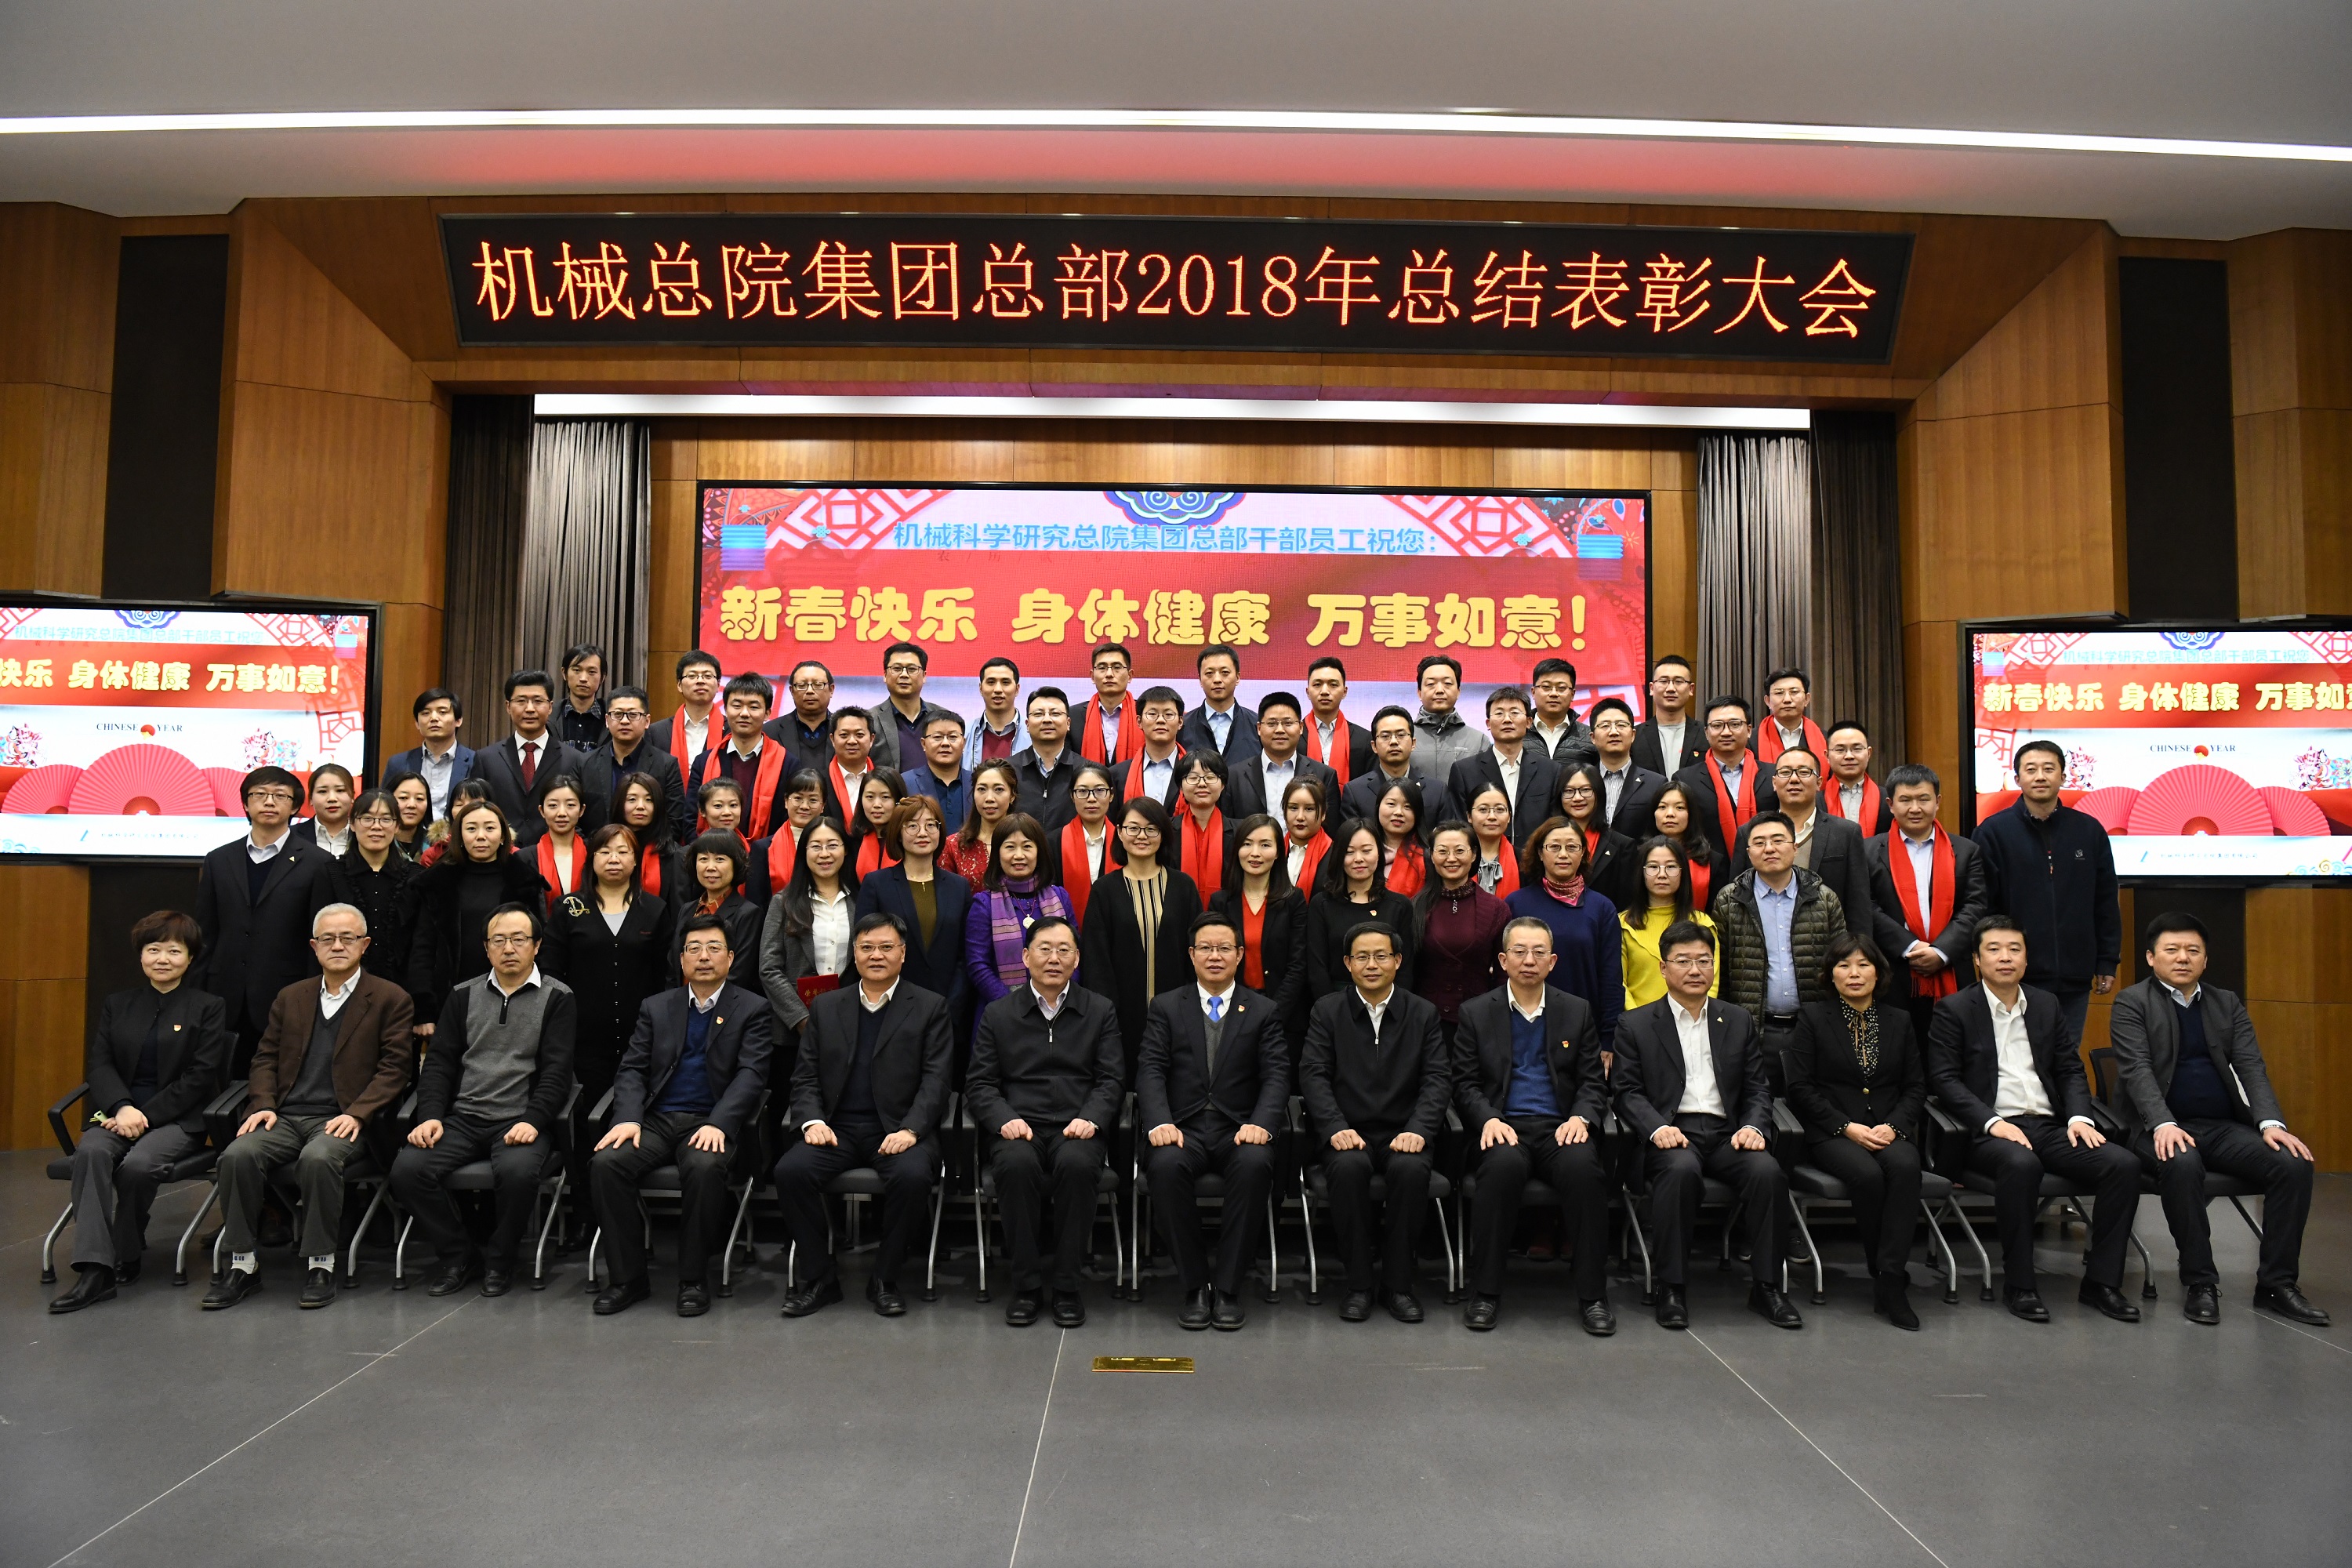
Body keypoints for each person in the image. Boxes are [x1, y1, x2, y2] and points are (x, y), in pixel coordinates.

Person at [2107, 913, 2327, 1326]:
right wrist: (2164, 1123)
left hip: (2222, 1127)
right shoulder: (2131, 1002)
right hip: (2156, 1128)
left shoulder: (2226, 1003)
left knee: (2292, 1163)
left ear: (2205, 960)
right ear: (2151, 958)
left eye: (2193, 951)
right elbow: (2136, 1070)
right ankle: (2200, 1283)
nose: (2183, 958)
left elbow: (2252, 1067)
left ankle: (2277, 1285)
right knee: (2182, 1162)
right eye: (2172, 950)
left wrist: (2271, 1124)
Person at [1927, 915, 2143, 1323]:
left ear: (2026, 959)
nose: (2005, 958)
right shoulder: (1954, 1009)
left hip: (2048, 1125)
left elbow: (2069, 1069)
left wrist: (2079, 1117)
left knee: (2123, 1165)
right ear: (1976, 960)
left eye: (2015, 949)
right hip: (1987, 1131)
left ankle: (2102, 1283)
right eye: (1994, 950)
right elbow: (1944, 1080)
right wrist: (1992, 1122)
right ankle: (2021, 1284)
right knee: (2021, 1165)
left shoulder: (2045, 1004)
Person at [202, 904, 415, 1311]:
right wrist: (263, 1103)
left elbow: (396, 1069)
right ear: (314, 947)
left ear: (365, 945)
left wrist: (358, 1113)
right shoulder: (291, 997)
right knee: (236, 1155)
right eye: (328, 939)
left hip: (345, 1118)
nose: (338, 946)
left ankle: (321, 1264)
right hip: (285, 1115)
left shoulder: (391, 998)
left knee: (319, 1158)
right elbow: (264, 1058)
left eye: (348, 938)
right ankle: (243, 1265)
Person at [1613, 921, 1801, 1330]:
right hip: (1672, 1132)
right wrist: (1655, 1128)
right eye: (1683, 961)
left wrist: (1754, 1127)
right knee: (1679, 1172)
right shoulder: (1636, 1024)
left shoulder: (1737, 1019)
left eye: (1704, 960)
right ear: (1663, 968)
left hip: (1728, 1133)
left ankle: (1767, 1287)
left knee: (1768, 1173)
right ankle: (1671, 1287)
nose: (1695, 970)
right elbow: (1626, 1092)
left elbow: (1757, 1088)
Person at [590, 910, 775, 1317]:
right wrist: (628, 1118)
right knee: (606, 1164)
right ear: (681, 959)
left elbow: (751, 1075)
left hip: (710, 1120)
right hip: (656, 1120)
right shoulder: (657, 1007)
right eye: (694, 948)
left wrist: (720, 1122)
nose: (703, 956)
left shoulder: (753, 1008)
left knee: (704, 1167)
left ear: (730, 957)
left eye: (713, 948)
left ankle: (693, 1279)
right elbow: (632, 1069)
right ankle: (627, 1279)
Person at [775, 913, 956, 1319]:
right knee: (790, 1172)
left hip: (897, 1129)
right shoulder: (826, 1006)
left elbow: (937, 1081)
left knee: (912, 1176)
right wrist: (812, 1121)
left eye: (886, 947)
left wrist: (911, 1129)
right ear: (854, 954)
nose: (877, 955)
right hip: (835, 1129)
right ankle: (820, 1279)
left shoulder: (930, 1007)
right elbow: (805, 1076)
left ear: (903, 953)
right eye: (867, 947)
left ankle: (885, 1279)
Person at [390, 902, 575, 1297]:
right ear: (486, 948)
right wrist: (430, 1115)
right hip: (463, 1118)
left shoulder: (558, 998)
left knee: (518, 1174)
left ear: (537, 946)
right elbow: (439, 1064)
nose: (509, 948)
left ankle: (501, 1260)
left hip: (520, 1118)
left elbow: (557, 1073)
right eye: (499, 940)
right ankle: (459, 1255)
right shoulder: (462, 995)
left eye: (519, 939)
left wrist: (534, 1120)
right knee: (407, 1171)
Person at [49, 911, 229, 1313]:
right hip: (117, 1113)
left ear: (190, 958)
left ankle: (126, 1249)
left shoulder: (208, 1006)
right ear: (141, 955)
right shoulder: (118, 1004)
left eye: (174, 951)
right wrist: (122, 1107)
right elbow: (100, 1065)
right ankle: (95, 1270)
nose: (162, 959)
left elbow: (200, 1076)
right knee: (90, 1152)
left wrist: (142, 1115)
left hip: (178, 1118)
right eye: (153, 949)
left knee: (139, 1165)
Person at [1454, 916, 1614, 1334]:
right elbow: (1465, 1084)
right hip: (1503, 1126)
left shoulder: (1576, 1010)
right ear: (1503, 960)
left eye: (1539, 952)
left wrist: (1581, 1117)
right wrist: (1488, 1119)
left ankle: (1593, 1297)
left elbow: (1592, 1082)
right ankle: (1485, 1293)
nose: (1529, 960)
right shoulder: (1476, 1013)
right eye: (1520, 952)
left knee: (1585, 1171)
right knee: (1501, 1169)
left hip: (1560, 1126)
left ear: (1552, 961)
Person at [967, 917, 1124, 1327]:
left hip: (1077, 1125)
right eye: (1044, 949)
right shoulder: (999, 1014)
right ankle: (1027, 1286)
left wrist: (1091, 1117)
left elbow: (1111, 1080)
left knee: (1077, 1165)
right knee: (1015, 1165)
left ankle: (1068, 1287)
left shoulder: (1100, 1010)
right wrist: (1004, 1119)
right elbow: (980, 1083)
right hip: (1019, 1125)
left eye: (1064, 950)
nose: (1054, 958)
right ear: (1025, 956)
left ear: (1077, 959)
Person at [1138, 911, 1287, 1330]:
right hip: (1180, 1127)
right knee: (1165, 1167)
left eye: (1224, 948)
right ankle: (1194, 1286)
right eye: (1206, 948)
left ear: (1240, 955)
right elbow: (1150, 1069)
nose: (1215, 956)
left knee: (1255, 1165)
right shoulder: (1167, 1006)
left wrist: (1262, 1124)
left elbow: (1276, 1075)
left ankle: (1228, 1287)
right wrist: (1159, 1122)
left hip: (1238, 1129)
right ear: (1191, 954)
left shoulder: (1263, 1009)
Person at [1299, 920, 1448, 1323]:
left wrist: (1418, 1130)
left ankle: (1398, 1286)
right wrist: (1334, 1127)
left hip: (1405, 1132)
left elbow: (1438, 1079)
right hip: (1347, 1132)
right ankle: (1359, 1285)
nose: (1371, 965)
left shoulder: (1422, 1013)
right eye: (1361, 957)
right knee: (1348, 1169)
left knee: (1410, 1171)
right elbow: (1313, 1075)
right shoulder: (1327, 1011)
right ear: (1347, 963)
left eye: (1381, 956)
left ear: (1398, 961)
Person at [1785, 934, 1928, 1329]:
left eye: (1864, 965)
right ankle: (1884, 1271)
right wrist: (1846, 1127)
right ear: (1830, 975)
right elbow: (1800, 1088)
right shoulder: (1813, 1018)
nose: (1854, 973)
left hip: (1888, 1128)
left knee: (1905, 1168)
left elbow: (1916, 1086)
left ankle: (1890, 1277)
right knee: (1866, 1175)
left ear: (1878, 973)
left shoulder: (1899, 1020)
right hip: (1833, 1132)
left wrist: (1894, 1126)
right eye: (1844, 965)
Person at [193, 765, 341, 1072]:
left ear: (295, 806)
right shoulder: (219, 860)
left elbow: (320, 939)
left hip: (287, 995)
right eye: (259, 794)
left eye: (280, 795)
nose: (269, 802)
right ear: (246, 804)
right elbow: (205, 935)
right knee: (222, 1083)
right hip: (224, 996)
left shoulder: (317, 863)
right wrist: (196, 995)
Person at [1973, 739, 2122, 1041]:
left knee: (2067, 1055)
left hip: (2075, 973)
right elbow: (1984, 906)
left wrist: (2107, 960)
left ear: (2063, 777)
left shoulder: (2089, 830)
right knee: (2017, 1054)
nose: (2040, 776)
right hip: (2015, 973)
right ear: (2017, 779)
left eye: (2049, 769)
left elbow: (2105, 901)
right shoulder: (1993, 832)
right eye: (2031, 770)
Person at [543, 824, 674, 1120]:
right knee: (585, 1116)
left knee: (634, 1114)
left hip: (640, 1035)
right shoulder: (569, 907)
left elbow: (666, 977)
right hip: (581, 1036)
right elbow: (551, 971)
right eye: (605, 852)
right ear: (591, 859)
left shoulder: (654, 909)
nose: (614, 859)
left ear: (636, 860)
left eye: (622, 851)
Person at [1711, 812, 1842, 1081]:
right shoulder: (1729, 900)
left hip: (1812, 1030)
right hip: (1752, 1031)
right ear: (1749, 852)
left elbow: (1841, 965)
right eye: (1759, 843)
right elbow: (1719, 972)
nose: (1769, 848)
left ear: (1795, 847)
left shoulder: (1824, 899)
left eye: (1778, 840)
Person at [1080, 796, 1204, 1075]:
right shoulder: (1104, 890)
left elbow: (1197, 951)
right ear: (1119, 832)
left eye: (1151, 829)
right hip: (1121, 1017)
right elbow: (1096, 961)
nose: (1142, 836)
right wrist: (1106, 1015)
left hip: (1178, 1014)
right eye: (1133, 828)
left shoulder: (1183, 886)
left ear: (1163, 834)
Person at [1864, 764, 1990, 1040]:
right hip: (1892, 972)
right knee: (1900, 1051)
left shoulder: (1966, 851)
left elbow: (1975, 906)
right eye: (1905, 800)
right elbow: (1867, 907)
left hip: (1952, 968)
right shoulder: (1868, 851)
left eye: (1923, 799)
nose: (1915, 808)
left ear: (1938, 801)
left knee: (1955, 1049)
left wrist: (1941, 951)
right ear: (1891, 805)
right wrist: (1911, 947)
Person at [406, 799, 549, 1031]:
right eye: (471, 828)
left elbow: (539, 948)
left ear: (503, 835)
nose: (481, 836)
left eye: (490, 828)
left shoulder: (524, 881)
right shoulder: (437, 882)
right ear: (459, 836)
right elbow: (423, 948)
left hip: (513, 999)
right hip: (449, 1000)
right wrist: (424, 1011)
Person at [1504, 818, 1624, 1054]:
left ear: (1583, 853)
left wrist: (1609, 1039)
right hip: (1523, 1025)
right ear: (1540, 853)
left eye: (1572, 847)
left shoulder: (1601, 908)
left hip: (1584, 1028)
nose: (1563, 854)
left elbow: (1611, 979)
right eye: (1554, 847)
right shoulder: (1516, 903)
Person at [853, 795, 974, 1028]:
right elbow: (865, 948)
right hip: (891, 1009)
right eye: (912, 826)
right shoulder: (877, 884)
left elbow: (965, 954)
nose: (923, 833)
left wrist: (953, 1005)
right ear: (898, 832)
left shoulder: (959, 887)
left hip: (949, 1011)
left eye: (931, 825)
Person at [757, 816, 859, 1054]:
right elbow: (769, 968)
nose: (824, 854)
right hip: (793, 1032)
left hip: (848, 1023)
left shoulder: (860, 901)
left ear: (845, 850)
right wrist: (802, 1020)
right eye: (815, 846)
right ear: (803, 852)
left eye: (832, 845)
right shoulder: (783, 903)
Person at [465, 669, 601, 845]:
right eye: (521, 701)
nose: (530, 709)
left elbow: (586, 819)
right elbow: (475, 813)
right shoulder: (486, 759)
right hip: (501, 855)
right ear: (508, 706)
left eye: (538, 701)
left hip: (555, 854)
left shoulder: (575, 759)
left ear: (550, 707)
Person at [1210, 815, 1308, 1047]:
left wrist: (1272, 1015)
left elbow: (1298, 966)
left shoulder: (1294, 901)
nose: (1255, 853)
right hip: (1231, 1012)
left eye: (1265, 845)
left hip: (1284, 1016)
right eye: (1247, 844)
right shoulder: (1221, 902)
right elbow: (1215, 961)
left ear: (1278, 852)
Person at [1755, 746, 1872, 935]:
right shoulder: (1751, 833)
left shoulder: (1846, 833)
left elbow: (1859, 905)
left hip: (1830, 944)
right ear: (1774, 783)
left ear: (1819, 783)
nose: (1794, 779)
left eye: (1804, 772)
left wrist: (1859, 947)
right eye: (1785, 772)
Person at [964, 814, 1075, 1010]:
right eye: (1010, 847)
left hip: (1060, 1009)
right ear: (998, 854)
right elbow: (978, 965)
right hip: (1002, 1012)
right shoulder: (984, 904)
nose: (1019, 855)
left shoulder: (1060, 897)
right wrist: (1016, 1007)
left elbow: (1074, 955)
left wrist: (1057, 1001)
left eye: (1027, 846)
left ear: (1039, 852)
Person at [1411, 822, 1511, 1039]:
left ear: (1474, 854)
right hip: (1425, 1023)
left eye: (1459, 851)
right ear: (1432, 856)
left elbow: (1503, 973)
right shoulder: (1415, 907)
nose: (1451, 858)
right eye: (1442, 851)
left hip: (1478, 1022)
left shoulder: (1496, 909)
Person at [1305, 819, 1418, 1004]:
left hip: (1389, 1005)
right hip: (1334, 1005)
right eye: (1349, 852)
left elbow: (1405, 970)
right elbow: (1317, 970)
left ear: (1379, 853)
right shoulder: (1322, 904)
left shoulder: (1400, 906)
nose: (1358, 859)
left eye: (1366, 851)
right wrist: (1331, 1012)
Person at [1445, 685, 1559, 848]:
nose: (1507, 720)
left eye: (1515, 713)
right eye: (1499, 713)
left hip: (1534, 859)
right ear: (1488, 723)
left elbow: (1555, 824)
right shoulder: (1464, 771)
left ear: (1528, 722)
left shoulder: (1550, 771)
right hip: (1483, 859)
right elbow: (1460, 825)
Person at [687, 673, 793, 844]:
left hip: (767, 855)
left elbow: (789, 821)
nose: (744, 713)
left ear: (767, 713)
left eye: (754, 707)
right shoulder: (705, 761)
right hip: (712, 853)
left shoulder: (787, 763)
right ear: (725, 710)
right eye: (737, 706)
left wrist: (760, 854)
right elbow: (691, 819)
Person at [332, 789, 416, 993]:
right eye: (367, 818)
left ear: (397, 826)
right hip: (343, 987)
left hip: (402, 989)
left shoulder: (416, 877)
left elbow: (422, 944)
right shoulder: (331, 874)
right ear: (352, 824)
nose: (376, 826)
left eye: (386, 819)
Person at [1671, 695, 1770, 866]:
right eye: (1717, 726)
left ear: (1749, 730)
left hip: (1766, 869)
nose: (1726, 732)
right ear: (1706, 732)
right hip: (1709, 870)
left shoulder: (1772, 774)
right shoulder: (1686, 779)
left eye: (1735, 724)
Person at [1621, 837, 1718, 1011]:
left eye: (1671, 867)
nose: (1662, 874)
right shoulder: (1623, 924)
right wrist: (1637, 1022)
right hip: (1638, 1022)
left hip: (1694, 1020)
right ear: (1642, 873)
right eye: (1653, 867)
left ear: (1683, 872)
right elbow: (1619, 984)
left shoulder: (1702, 923)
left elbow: (1712, 983)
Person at [586, 684, 691, 844]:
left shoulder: (666, 765)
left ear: (647, 721)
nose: (625, 721)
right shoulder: (585, 763)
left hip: (650, 853)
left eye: (633, 715)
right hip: (599, 852)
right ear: (607, 720)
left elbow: (674, 822)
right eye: (618, 714)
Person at [673, 830, 764, 991]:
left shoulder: (748, 913)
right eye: (703, 859)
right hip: (681, 1001)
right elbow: (673, 967)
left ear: (736, 864)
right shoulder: (687, 910)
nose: (710, 867)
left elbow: (739, 975)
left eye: (720, 859)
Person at [1225, 689, 1334, 819]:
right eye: (1272, 724)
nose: (1280, 730)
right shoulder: (1234, 777)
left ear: (1301, 727)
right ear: (1259, 728)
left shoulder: (1324, 775)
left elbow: (1330, 827)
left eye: (1288, 723)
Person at [867, 640, 960, 774]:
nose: (904, 675)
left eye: (912, 669)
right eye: (897, 669)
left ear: (924, 676)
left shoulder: (944, 718)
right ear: (885, 675)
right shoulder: (869, 720)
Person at [1555, 762, 1637, 910]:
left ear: (1598, 793)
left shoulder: (1622, 845)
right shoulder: (1546, 840)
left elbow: (1626, 904)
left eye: (1586, 790)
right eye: (1569, 791)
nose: (1577, 798)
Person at [386, 687, 475, 822]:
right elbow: (386, 806)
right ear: (417, 723)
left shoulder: (475, 761)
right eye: (426, 713)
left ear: (458, 721)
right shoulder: (398, 763)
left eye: (442, 712)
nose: (434, 718)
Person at [1587, 695, 1668, 841]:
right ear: (1593, 737)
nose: (1614, 732)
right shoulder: (1582, 781)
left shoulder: (1656, 784)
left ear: (1633, 735)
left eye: (1621, 725)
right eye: (1605, 726)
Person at [749, 768, 826, 900]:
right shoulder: (762, 849)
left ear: (823, 806)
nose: (804, 806)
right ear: (786, 801)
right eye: (798, 798)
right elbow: (756, 903)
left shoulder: (833, 847)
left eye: (813, 800)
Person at [1057, 764, 1119, 929]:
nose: (1091, 799)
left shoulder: (1124, 841)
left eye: (1099, 790)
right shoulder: (1054, 842)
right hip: (1067, 935)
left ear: (1111, 795)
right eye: (1083, 791)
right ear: (1072, 796)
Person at [1008, 685, 1079, 829]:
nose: (1047, 719)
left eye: (1055, 713)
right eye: (1038, 714)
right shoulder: (1008, 771)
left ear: (1068, 723)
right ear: (1027, 725)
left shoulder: (1085, 771)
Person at [1407, 655, 1482, 786]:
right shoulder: (1404, 738)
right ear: (1419, 692)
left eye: (1447, 684)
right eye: (1431, 684)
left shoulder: (1478, 741)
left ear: (1458, 691)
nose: (1440, 690)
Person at [941, 756, 1017, 883]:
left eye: (999, 789)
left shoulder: (1026, 842)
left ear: (1012, 796)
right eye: (982, 789)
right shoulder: (954, 846)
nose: (989, 798)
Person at [1180, 643, 1259, 764]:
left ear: (1238, 677)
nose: (1217, 679)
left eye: (1225, 672)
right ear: (1200, 679)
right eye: (1209, 673)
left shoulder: (1258, 725)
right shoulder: (1182, 727)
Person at [1111, 685, 1189, 807]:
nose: (1160, 720)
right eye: (1152, 714)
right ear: (1139, 721)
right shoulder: (1117, 775)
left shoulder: (1194, 771)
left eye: (1168, 714)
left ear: (1180, 722)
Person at [1302, 655, 1374, 784]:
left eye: (1333, 685)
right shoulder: (1292, 737)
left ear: (1345, 692)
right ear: (1307, 692)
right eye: (1317, 684)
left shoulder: (1365, 740)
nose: (1324, 691)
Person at [1339, 706, 1418, 822]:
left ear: (1413, 743)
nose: (1394, 742)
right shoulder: (1355, 792)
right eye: (1385, 736)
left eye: (1401, 735)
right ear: (1374, 746)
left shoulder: (1436, 791)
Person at [1631, 654, 1704, 777]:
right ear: (1652, 688)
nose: (1671, 688)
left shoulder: (1706, 734)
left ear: (1691, 689)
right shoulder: (1634, 737)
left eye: (1678, 682)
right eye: (1663, 681)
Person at [1647, 782, 1718, 909]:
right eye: (1662, 807)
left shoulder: (1713, 860)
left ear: (1691, 814)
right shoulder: (1637, 855)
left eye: (1679, 808)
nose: (1670, 814)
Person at [1171, 751, 1232, 898]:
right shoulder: (1167, 831)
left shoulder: (1240, 833)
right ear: (1181, 787)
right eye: (1193, 778)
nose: (1202, 784)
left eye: (1210, 777)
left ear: (1223, 785)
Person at [906, 711, 975, 832]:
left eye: (953, 737)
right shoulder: (905, 782)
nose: (945, 743)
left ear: (963, 743)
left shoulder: (976, 783)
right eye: (937, 737)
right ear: (923, 744)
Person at [1078, 641, 1144, 766]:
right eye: (1102, 668)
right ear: (1092, 676)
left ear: (1130, 676)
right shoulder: (1074, 716)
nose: (1109, 674)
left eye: (1117, 667)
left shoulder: (1145, 715)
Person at [648, 650, 721, 762]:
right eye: (692, 676)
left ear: (718, 684)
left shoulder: (732, 730)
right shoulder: (656, 732)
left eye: (707, 676)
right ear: (679, 685)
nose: (700, 681)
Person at [531, 773, 591, 909]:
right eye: (553, 805)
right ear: (542, 811)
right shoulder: (526, 859)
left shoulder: (594, 853)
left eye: (570, 805)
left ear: (581, 810)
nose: (562, 813)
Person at [613, 772, 677, 901]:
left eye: (649, 800)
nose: (641, 806)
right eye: (632, 799)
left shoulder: (673, 855)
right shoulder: (605, 848)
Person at [1821, 719, 1892, 834]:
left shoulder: (1888, 800)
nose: (1849, 756)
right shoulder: (1815, 802)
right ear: (1827, 756)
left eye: (1857, 749)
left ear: (1869, 753)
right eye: (1840, 750)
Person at [1527, 657, 1597, 771]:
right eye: (1546, 687)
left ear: (1573, 694)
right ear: (1533, 692)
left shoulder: (1590, 737)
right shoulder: (1518, 734)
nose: (1554, 694)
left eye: (1561, 688)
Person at [768, 658, 838, 766]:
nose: (810, 691)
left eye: (818, 684)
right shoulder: (769, 732)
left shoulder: (846, 731)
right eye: (802, 685)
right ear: (792, 691)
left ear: (831, 690)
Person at [816, 703, 878, 826]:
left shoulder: (886, 782)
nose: (852, 741)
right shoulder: (818, 782)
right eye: (844, 735)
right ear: (832, 739)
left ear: (872, 739)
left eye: (859, 735)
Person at [964, 655, 1029, 767]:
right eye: (991, 682)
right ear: (981, 689)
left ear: (1017, 689)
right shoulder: (965, 733)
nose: (998, 689)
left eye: (1005, 683)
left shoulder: (1033, 733)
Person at [1755, 666, 1824, 766]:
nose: (1787, 700)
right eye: (1779, 693)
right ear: (1768, 701)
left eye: (1794, 692)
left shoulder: (1825, 739)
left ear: (1807, 699)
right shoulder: (1751, 741)